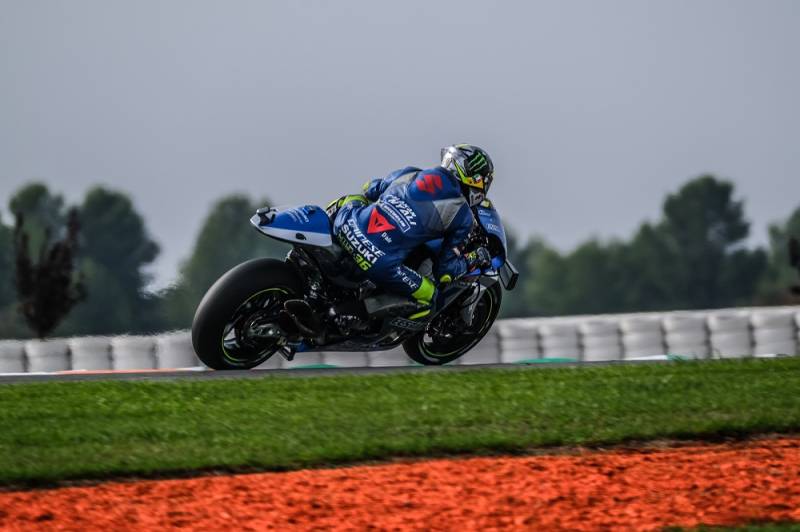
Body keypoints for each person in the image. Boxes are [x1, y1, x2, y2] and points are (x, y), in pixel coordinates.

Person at [285, 144, 495, 335]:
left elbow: (370, 188)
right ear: (474, 179)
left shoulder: (412, 173)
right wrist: (474, 257)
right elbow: (445, 271)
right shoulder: (462, 214)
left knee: (355, 199)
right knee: (429, 299)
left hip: (346, 225)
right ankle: (343, 314)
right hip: (380, 261)